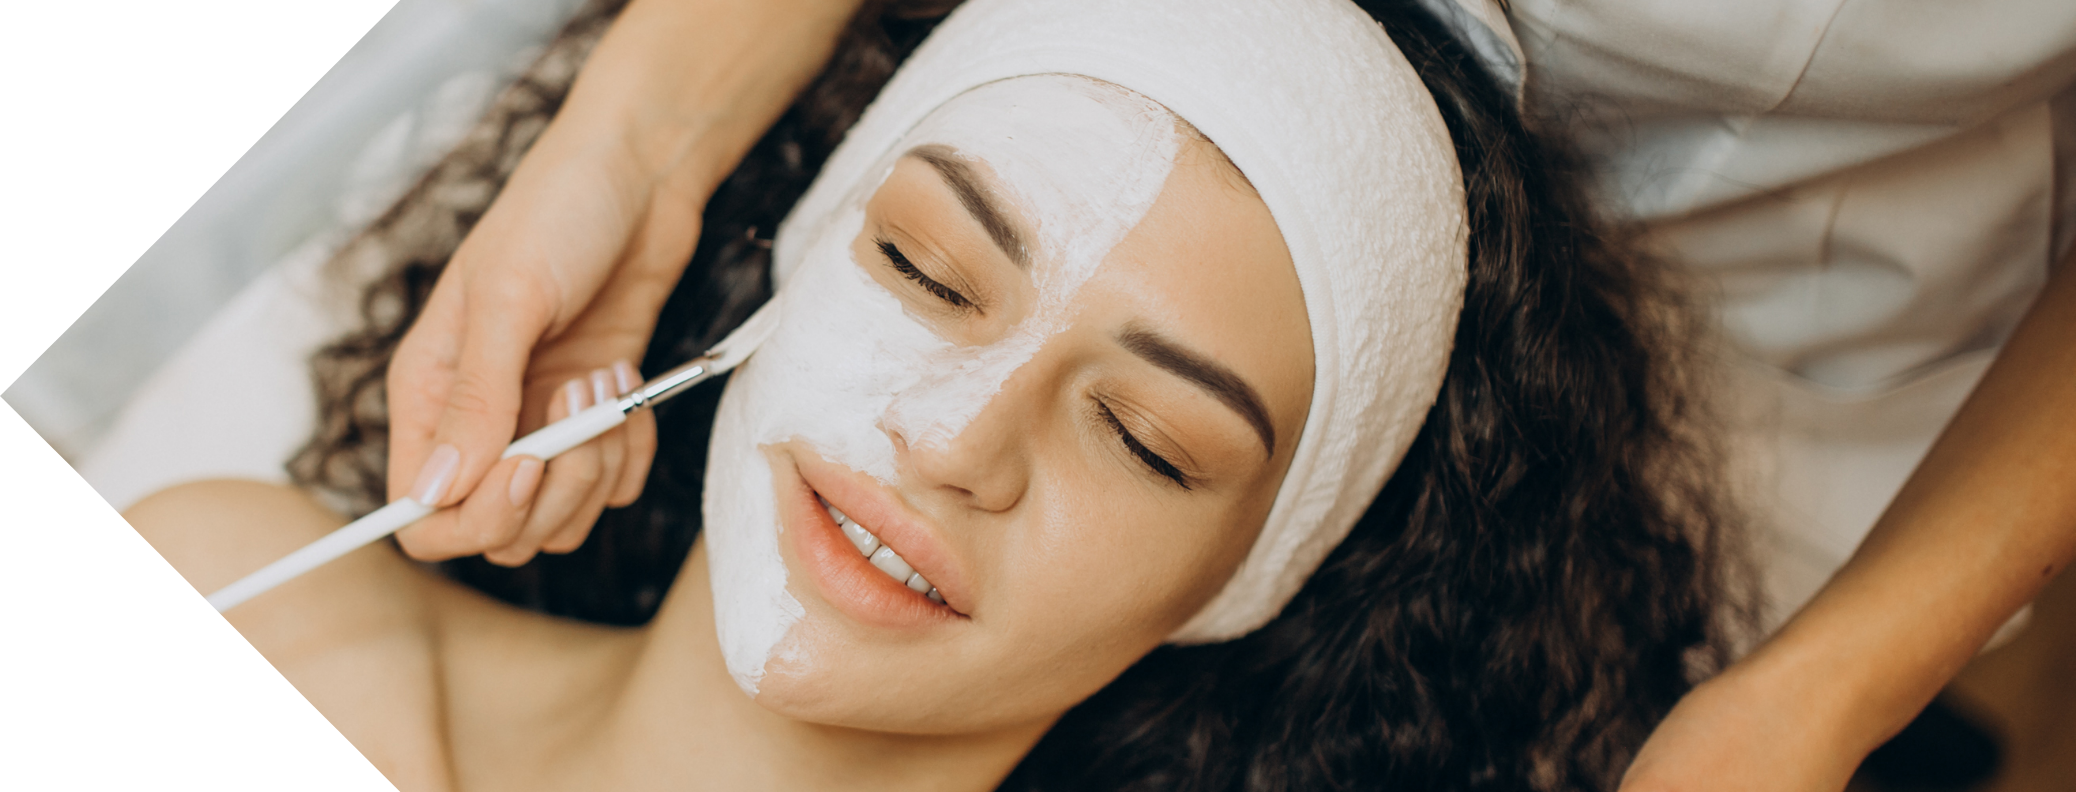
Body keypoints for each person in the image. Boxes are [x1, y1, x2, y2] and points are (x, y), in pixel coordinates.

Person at [317, 0, 2071, 789]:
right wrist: (635, 138)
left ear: (1265, 579)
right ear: (784, 250)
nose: (954, 437)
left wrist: (1817, 703)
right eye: (930, 271)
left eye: (1149, 438)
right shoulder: (274, 605)